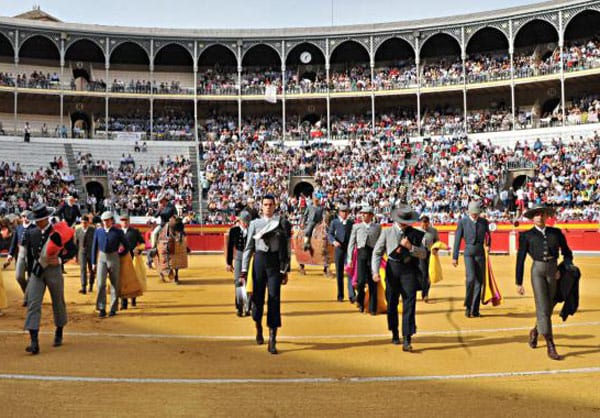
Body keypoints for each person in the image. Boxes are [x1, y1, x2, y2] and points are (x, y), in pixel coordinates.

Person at [516, 204, 573, 360]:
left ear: (547, 216)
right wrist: (519, 282)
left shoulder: (556, 233)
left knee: (548, 306)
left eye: (542, 214)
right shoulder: (527, 235)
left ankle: (535, 331)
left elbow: (568, 253)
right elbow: (520, 258)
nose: (540, 217)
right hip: (538, 272)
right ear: (532, 218)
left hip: (554, 271)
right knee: (542, 306)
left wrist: (563, 269)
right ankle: (550, 345)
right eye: (536, 214)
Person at [241, 194, 291, 355]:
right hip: (259, 261)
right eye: (265, 204)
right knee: (257, 298)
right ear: (261, 207)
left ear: (275, 206)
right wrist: (243, 269)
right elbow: (248, 247)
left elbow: (286, 248)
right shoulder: (255, 224)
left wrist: (285, 269)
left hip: (275, 263)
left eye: (270, 204)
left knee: (274, 298)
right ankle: (258, 327)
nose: (268, 207)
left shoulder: (280, 223)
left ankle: (272, 339)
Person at [372, 205, 426, 351]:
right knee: (392, 303)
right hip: (392, 270)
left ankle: (407, 338)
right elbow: (377, 253)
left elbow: (423, 254)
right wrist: (375, 272)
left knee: (410, 303)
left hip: (409, 271)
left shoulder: (415, 234)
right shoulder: (386, 232)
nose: (405, 224)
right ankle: (395, 332)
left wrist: (411, 247)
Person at [21, 204, 68, 355]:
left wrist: (60, 260)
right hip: (37, 271)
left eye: (40, 219)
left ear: (47, 218)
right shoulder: (31, 232)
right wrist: (29, 272)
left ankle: (59, 330)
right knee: (33, 304)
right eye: (36, 219)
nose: (37, 222)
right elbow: (28, 255)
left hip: (53, 270)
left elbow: (72, 249)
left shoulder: (57, 231)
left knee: (58, 301)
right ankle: (34, 342)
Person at [452, 201, 491, 318]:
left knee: (480, 282)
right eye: (473, 213)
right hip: (468, 253)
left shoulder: (484, 222)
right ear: (469, 211)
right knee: (470, 279)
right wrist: (455, 257)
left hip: (480, 253)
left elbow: (488, 236)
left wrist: (489, 245)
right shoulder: (463, 222)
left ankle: (475, 310)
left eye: (476, 213)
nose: (475, 215)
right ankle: (468, 307)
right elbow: (457, 240)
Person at [346, 205, 382, 314]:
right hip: (361, 256)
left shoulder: (377, 227)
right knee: (360, 282)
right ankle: (361, 302)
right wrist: (350, 259)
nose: (363, 215)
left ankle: (373, 308)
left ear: (371, 215)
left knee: (373, 282)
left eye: (365, 213)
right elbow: (351, 244)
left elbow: (381, 244)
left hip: (373, 256)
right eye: (362, 213)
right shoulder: (356, 227)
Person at [91, 211, 127, 318]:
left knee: (114, 283)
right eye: (104, 221)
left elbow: (126, 245)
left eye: (107, 220)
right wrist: (93, 262)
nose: (105, 222)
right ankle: (102, 308)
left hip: (114, 257)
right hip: (102, 258)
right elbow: (94, 246)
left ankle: (113, 308)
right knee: (101, 283)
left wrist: (120, 255)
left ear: (112, 220)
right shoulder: (98, 231)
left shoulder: (118, 232)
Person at [6, 210, 35, 306]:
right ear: (21, 218)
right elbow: (13, 243)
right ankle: (28, 294)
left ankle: (27, 299)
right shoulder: (18, 228)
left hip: (32, 255)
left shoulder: (35, 228)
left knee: (31, 278)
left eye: (27, 216)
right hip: (21, 254)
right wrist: (10, 254)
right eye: (24, 216)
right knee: (19, 277)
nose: (25, 218)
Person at [327, 203, 354, 302]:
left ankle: (351, 295)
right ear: (339, 212)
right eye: (343, 212)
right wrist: (334, 241)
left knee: (349, 270)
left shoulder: (351, 222)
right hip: (339, 249)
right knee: (339, 273)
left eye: (346, 212)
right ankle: (340, 295)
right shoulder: (334, 222)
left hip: (348, 249)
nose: (345, 213)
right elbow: (329, 233)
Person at [226, 211, 252, 316]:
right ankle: (240, 307)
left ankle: (248, 307)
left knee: (250, 282)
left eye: (247, 221)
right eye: (244, 221)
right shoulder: (234, 230)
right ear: (240, 220)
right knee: (239, 282)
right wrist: (229, 262)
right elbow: (230, 247)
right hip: (239, 257)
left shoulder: (252, 229)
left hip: (250, 257)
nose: (246, 223)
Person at [119, 214, 145, 308]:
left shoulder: (134, 231)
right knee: (122, 281)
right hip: (121, 259)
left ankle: (133, 299)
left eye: (126, 220)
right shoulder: (118, 232)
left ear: (129, 221)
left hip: (133, 258)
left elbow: (143, 243)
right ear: (120, 222)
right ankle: (123, 303)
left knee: (133, 280)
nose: (124, 222)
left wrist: (138, 249)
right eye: (122, 220)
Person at [418, 215, 440, 303]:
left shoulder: (433, 231)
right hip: (419, 254)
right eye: (423, 225)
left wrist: (435, 249)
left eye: (426, 225)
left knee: (428, 274)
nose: (425, 227)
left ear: (429, 223)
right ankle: (422, 291)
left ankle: (425, 294)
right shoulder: (416, 231)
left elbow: (437, 242)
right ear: (420, 223)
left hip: (429, 254)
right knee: (422, 274)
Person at [74, 215, 95, 294]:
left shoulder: (93, 230)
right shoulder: (78, 230)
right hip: (81, 252)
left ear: (88, 223)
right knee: (83, 269)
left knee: (91, 269)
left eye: (85, 223)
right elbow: (76, 244)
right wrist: (75, 256)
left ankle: (91, 285)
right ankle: (83, 287)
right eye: (82, 222)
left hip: (91, 252)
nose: (84, 224)